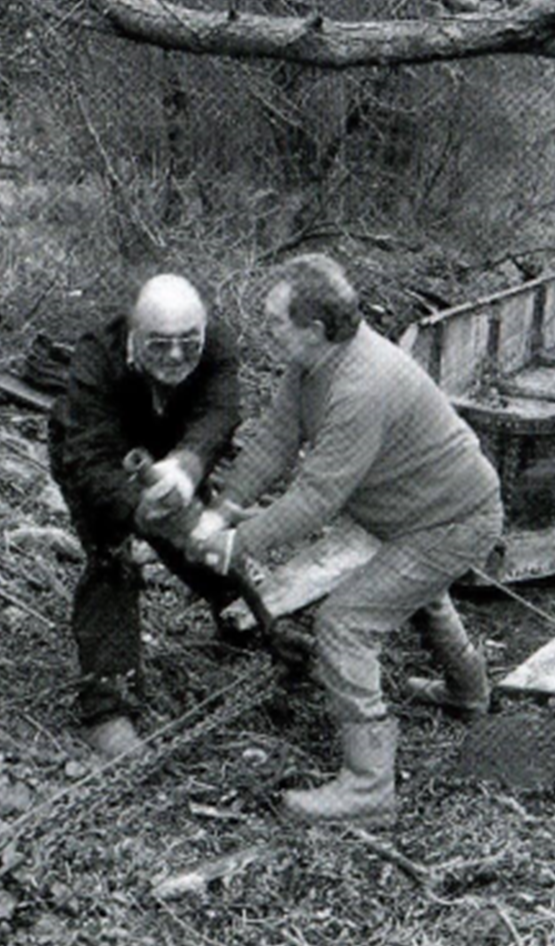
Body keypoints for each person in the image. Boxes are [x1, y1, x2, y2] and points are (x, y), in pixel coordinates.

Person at [188, 254, 503, 827]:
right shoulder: (311, 362)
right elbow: (277, 438)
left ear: (313, 328)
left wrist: (238, 545)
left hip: (454, 519)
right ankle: (468, 693)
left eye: (275, 321)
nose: (267, 330)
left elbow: (315, 501)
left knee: (346, 623)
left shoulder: (361, 386)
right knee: (416, 594)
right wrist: (226, 508)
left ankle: (368, 787)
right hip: (413, 513)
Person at [48, 274, 242, 760]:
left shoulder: (217, 343)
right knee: (112, 559)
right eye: (160, 344)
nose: (176, 356)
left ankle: (243, 619)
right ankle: (106, 707)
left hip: (172, 453)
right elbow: (89, 457)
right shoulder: (96, 358)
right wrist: (137, 508)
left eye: (188, 344)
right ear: (134, 335)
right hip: (95, 456)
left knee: (201, 534)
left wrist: (188, 464)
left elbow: (221, 412)